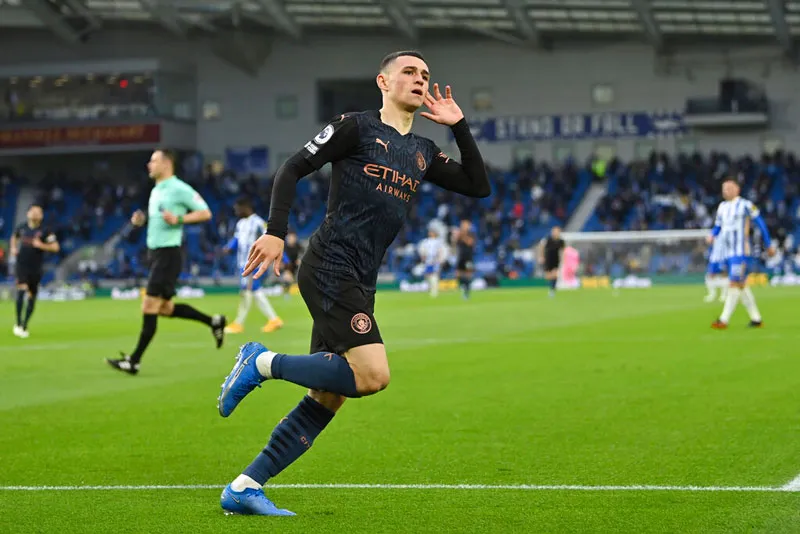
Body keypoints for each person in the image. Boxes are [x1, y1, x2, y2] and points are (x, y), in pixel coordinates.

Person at [215, 50, 490, 516]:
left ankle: (244, 486)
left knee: (331, 394)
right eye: (409, 72)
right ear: (383, 82)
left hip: (362, 278)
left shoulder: (422, 151)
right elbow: (291, 169)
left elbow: (477, 185)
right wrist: (276, 232)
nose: (420, 80)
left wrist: (459, 126)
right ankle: (260, 362)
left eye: (425, 75)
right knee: (373, 375)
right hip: (330, 265)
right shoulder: (355, 127)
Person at [106, 149, 227, 375]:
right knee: (164, 308)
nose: (148, 165)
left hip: (168, 254)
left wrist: (179, 218)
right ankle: (214, 321)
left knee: (148, 305)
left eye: (153, 160)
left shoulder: (178, 188)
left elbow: (205, 213)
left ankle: (134, 361)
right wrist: (141, 221)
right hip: (155, 254)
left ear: (166, 163)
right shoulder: (157, 190)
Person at [709, 178, 775, 329]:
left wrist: (768, 243)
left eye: (729, 188)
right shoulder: (722, 207)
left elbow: (760, 223)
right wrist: (712, 235)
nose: (725, 191)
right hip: (727, 252)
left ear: (737, 189)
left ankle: (723, 320)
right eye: (724, 188)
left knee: (733, 282)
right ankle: (756, 319)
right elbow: (718, 226)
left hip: (740, 251)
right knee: (741, 284)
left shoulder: (745, 205)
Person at [223, 196, 283, 334]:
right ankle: (271, 320)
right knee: (248, 291)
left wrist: (281, 258)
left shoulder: (258, 223)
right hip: (242, 263)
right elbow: (237, 239)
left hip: (254, 261)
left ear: (246, 208)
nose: (236, 212)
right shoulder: (240, 224)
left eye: (237, 209)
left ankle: (242, 323)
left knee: (251, 290)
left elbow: (271, 238)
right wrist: (228, 247)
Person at [10, 203, 59, 338]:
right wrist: (13, 248)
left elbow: (55, 247)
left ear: (42, 216)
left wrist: (41, 245)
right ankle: (18, 323)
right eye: (33, 211)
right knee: (21, 290)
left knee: (32, 297)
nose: (35, 214)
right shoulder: (22, 228)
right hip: (22, 266)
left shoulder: (45, 231)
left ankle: (25, 324)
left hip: (36, 268)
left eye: (38, 212)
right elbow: (14, 237)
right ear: (28, 213)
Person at [417, 228, 447, 297]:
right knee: (427, 276)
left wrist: (440, 259)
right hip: (428, 261)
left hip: (435, 261)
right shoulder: (426, 241)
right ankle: (430, 288)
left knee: (434, 275)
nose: (430, 233)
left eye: (432, 232)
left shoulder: (439, 241)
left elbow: (442, 250)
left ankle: (434, 291)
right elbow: (422, 250)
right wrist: (423, 256)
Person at [538, 226, 565, 298]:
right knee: (548, 276)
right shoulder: (548, 240)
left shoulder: (561, 241)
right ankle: (551, 288)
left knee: (555, 275)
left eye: (557, 231)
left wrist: (562, 260)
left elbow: (562, 251)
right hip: (548, 260)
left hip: (556, 260)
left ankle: (552, 290)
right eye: (555, 231)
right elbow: (542, 247)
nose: (556, 233)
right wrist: (541, 256)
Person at [453, 219, 476, 299]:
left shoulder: (471, 234)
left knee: (468, 275)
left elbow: (470, 242)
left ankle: (467, 292)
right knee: (458, 274)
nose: (463, 226)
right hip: (461, 257)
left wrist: (463, 235)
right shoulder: (460, 234)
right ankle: (463, 287)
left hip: (468, 258)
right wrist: (457, 235)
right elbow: (455, 243)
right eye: (462, 225)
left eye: (465, 225)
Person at [703, 236, 728, 303]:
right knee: (710, 275)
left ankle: (724, 295)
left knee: (724, 274)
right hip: (714, 257)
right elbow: (708, 240)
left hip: (724, 256)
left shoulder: (726, 230)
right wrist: (710, 239)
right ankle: (712, 294)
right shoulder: (715, 230)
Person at [280, 231, 303, 299]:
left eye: (293, 237)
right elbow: (281, 256)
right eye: (290, 237)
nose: (291, 239)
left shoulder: (298, 245)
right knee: (287, 277)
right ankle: (286, 293)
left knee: (292, 279)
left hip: (295, 266)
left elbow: (304, 252)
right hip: (287, 266)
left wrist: (300, 259)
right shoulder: (284, 246)